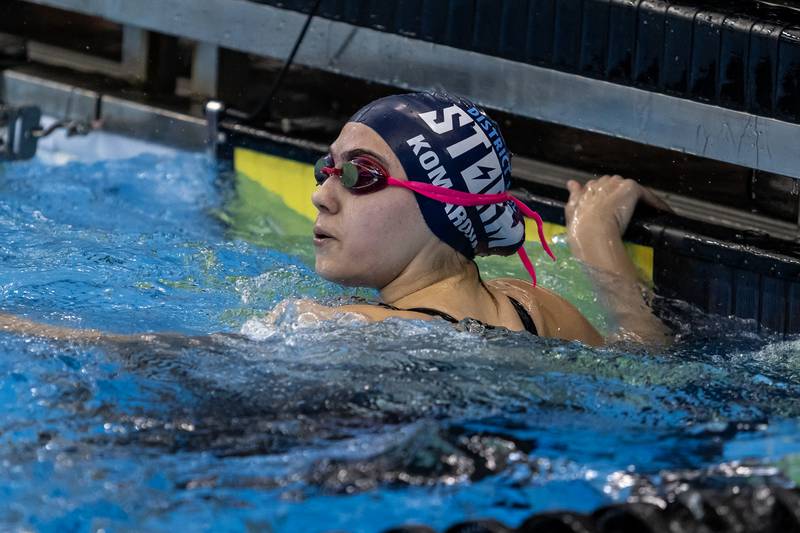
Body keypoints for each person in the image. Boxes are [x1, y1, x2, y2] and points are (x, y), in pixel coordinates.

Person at [0, 92, 671, 346]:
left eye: (360, 175)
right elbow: (645, 359)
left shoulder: (340, 327)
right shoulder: (533, 309)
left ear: (443, 207)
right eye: (327, 169)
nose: (323, 195)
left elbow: (153, 353)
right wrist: (596, 243)